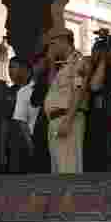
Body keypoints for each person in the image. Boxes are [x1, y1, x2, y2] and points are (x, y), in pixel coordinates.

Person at [43, 27, 88, 174]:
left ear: (63, 41)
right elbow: (51, 89)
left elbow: (79, 91)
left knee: (68, 169)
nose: (51, 48)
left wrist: (68, 120)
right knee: (57, 170)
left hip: (67, 119)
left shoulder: (78, 62)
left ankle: (72, 198)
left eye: (53, 44)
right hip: (55, 120)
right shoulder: (62, 66)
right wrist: (51, 65)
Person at [85, 35, 111, 172]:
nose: (94, 54)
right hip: (95, 121)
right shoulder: (91, 68)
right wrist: (102, 61)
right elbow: (95, 86)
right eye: (95, 51)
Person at [3, 57, 36, 174]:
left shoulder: (35, 89)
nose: (10, 71)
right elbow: (5, 121)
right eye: (9, 68)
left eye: (13, 67)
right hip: (13, 144)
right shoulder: (9, 92)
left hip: (33, 140)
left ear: (25, 69)